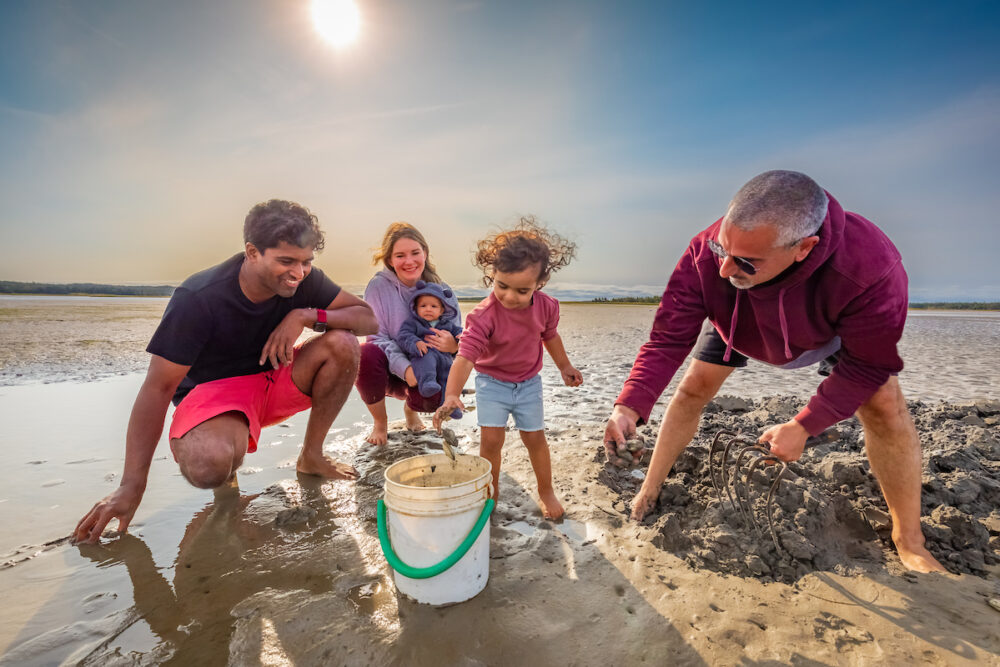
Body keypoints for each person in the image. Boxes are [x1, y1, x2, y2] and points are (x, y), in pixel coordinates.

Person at [604, 170, 946, 573]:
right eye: (722, 248)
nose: (725, 269)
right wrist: (629, 405)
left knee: (885, 406)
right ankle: (650, 487)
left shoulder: (870, 268)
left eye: (746, 261)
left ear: (804, 248)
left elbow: (868, 364)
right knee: (692, 389)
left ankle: (909, 539)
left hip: (831, 332)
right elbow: (667, 339)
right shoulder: (707, 254)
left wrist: (805, 425)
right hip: (739, 323)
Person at [73, 200, 377, 543]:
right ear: (252, 252)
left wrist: (305, 317)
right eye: (286, 261)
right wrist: (131, 485)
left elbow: (367, 319)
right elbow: (157, 389)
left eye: (307, 262)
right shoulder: (198, 297)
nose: (299, 272)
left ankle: (312, 455)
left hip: (274, 378)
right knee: (209, 465)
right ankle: (227, 476)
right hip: (214, 397)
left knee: (344, 344)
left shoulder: (304, 282)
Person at [434, 217, 583, 520]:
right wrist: (452, 394)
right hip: (492, 384)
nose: (510, 297)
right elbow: (465, 357)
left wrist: (564, 365)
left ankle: (545, 490)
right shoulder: (483, 316)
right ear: (492, 274)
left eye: (522, 290)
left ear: (539, 284)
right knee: (491, 442)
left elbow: (550, 335)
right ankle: (491, 495)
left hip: (529, 384)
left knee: (535, 439)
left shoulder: (547, 307)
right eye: (502, 286)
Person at [356, 223, 461, 445]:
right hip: (390, 367)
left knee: (434, 393)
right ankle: (380, 423)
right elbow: (377, 337)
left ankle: (410, 409)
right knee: (364, 353)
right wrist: (406, 369)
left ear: (425, 253)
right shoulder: (379, 286)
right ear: (390, 260)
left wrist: (454, 346)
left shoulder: (442, 291)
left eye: (415, 253)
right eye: (400, 255)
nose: (409, 261)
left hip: (427, 366)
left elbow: (460, 338)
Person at [394, 281, 465, 417]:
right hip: (424, 354)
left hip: (444, 359)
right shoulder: (413, 323)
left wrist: (461, 336)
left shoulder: (447, 324)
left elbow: (459, 332)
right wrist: (416, 343)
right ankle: (428, 383)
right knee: (426, 362)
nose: (428, 309)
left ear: (441, 310)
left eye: (433, 306)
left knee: (449, 380)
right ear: (416, 308)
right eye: (423, 306)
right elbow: (403, 336)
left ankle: (451, 406)